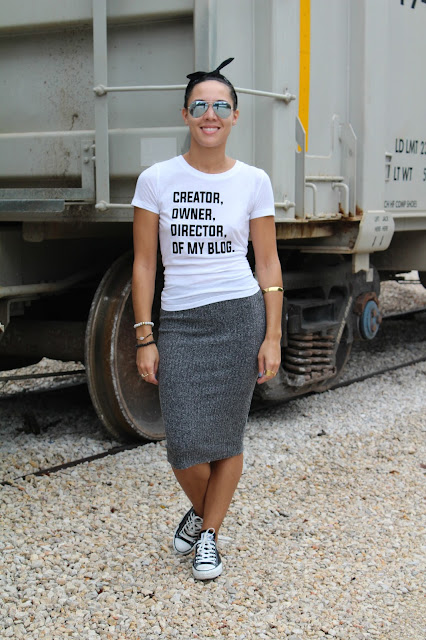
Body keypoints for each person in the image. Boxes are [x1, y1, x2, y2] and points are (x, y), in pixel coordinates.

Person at [131, 58, 283, 581]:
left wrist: (273, 335)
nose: (210, 114)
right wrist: (145, 336)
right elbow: (144, 264)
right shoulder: (156, 179)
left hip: (239, 317)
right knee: (182, 446)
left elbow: (267, 263)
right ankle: (204, 515)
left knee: (226, 437)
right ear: (186, 115)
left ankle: (209, 536)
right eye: (200, 106)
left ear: (235, 116)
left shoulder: (254, 180)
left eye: (221, 106)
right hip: (179, 322)